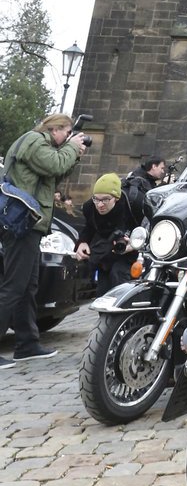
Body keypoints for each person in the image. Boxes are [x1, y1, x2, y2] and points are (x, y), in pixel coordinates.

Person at [0, 113, 90, 365]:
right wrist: (71, 149)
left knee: (27, 286)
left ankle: (26, 344)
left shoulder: (42, 146)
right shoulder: (34, 140)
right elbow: (54, 165)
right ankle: (24, 343)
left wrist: (72, 155)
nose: (68, 138)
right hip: (21, 224)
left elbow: (53, 175)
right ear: (55, 129)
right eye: (67, 132)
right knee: (13, 287)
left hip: (30, 225)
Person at [75, 174, 139, 292]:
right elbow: (89, 227)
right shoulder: (90, 207)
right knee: (103, 290)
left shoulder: (134, 205)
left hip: (129, 255)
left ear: (117, 198)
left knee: (119, 279)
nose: (100, 205)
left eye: (106, 199)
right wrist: (82, 242)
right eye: (96, 199)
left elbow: (149, 231)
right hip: (106, 257)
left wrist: (134, 244)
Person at [123, 154, 168, 218]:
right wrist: (164, 183)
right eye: (162, 168)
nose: (162, 171)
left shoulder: (143, 176)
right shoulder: (140, 181)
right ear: (154, 166)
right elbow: (151, 199)